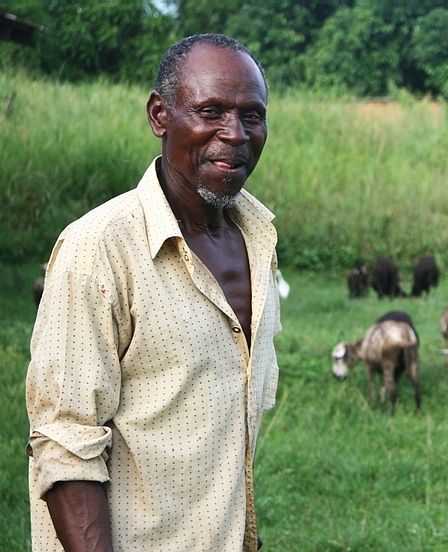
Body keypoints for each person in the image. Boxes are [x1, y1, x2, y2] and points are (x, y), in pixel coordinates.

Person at [26, 34, 281, 551]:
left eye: (251, 116)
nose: (234, 134)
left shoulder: (258, 238)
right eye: (210, 111)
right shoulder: (99, 247)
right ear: (160, 116)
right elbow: (65, 443)